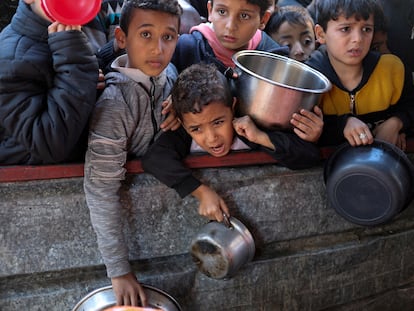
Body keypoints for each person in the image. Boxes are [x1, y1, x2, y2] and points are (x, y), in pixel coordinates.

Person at [83, 0, 182, 307]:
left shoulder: (170, 77)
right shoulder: (115, 105)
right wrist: (118, 270)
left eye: (169, 37)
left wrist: (182, 103)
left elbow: (176, 75)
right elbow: (100, 190)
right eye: (146, 35)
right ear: (121, 39)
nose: (158, 49)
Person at [142, 63, 322, 223]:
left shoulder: (246, 129)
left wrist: (260, 137)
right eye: (197, 129)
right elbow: (153, 159)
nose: (212, 138)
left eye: (218, 122)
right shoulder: (183, 136)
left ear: (233, 107)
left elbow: (310, 156)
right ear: (182, 124)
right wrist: (201, 191)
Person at [0, 0, 99, 165]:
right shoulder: (13, 60)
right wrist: (78, 70)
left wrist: (87, 75)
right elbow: (49, 142)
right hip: (34, 181)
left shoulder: (60, 33)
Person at [306, 0, 414, 150]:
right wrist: (343, 124)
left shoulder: (393, 70)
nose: (358, 39)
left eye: (366, 29)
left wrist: (397, 123)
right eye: (345, 29)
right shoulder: (309, 80)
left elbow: (409, 107)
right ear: (321, 34)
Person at [171, 0, 284, 74]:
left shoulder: (273, 58)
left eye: (244, 16)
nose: (230, 26)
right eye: (222, 11)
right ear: (210, 10)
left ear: (263, 19)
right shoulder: (186, 49)